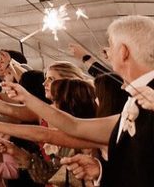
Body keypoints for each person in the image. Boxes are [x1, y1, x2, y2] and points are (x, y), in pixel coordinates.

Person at [61, 15, 154, 185]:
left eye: (110, 45)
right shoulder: (132, 96)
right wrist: (102, 172)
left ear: (123, 51)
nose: (107, 52)